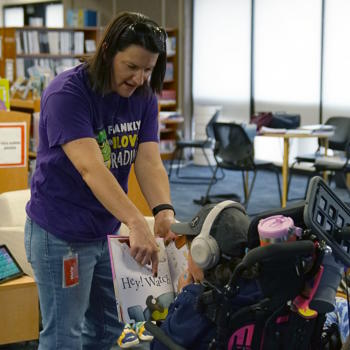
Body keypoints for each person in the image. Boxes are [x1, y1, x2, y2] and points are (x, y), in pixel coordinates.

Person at [24, 11, 176, 350]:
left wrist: (163, 209)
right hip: (61, 234)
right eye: (131, 67)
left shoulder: (143, 97)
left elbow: (148, 161)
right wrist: (136, 221)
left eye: (148, 69)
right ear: (107, 52)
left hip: (106, 230)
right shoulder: (68, 93)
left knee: (114, 329)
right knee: (65, 336)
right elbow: (91, 168)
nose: (139, 78)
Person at [150, 200, 262, 350]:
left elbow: (160, 346)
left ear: (202, 255)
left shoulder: (195, 301)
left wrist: (180, 296)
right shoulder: (262, 286)